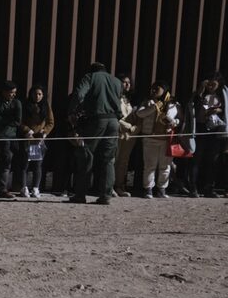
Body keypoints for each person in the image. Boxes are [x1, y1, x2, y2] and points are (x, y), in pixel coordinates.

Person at [68, 62, 122, 204]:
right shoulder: (116, 81)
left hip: (97, 120)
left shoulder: (90, 77)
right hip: (114, 121)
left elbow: (79, 94)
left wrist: (73, 112)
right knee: (108, 159)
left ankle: (80, 194)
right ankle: (106, 195)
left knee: (86, 154)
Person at [130, 80, 178, 198]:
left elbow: (179, 119)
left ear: (164, 90)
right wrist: (155, 107)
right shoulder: (147, 102)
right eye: (153, 88)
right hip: (150, 138)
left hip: (166, 139)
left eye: (158, 88)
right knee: (149, 166)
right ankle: (148, 189)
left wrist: (173, 122)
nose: (154, 90)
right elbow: (140, 114)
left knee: (165, 166)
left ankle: (162, 189)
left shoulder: (173, 104)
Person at [191, 73, 228, 197]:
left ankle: (209, 187)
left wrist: (218, 110)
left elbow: (225, 110)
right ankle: (193, 187)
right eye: (209, 83)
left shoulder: (223, 95)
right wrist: (201, 90)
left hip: (216, 129)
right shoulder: (200, 94)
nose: (211, 86)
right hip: (201, 127)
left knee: (213, 160)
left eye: (214, 83)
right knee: (197, 158)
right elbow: (193, 105)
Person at [17, 85, 55, 198]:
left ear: (43, 95)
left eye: (39, 94)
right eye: (35, 94)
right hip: (27, 138)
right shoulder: (25, 105)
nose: (37, 96)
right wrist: (26, 130)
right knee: (24, 164)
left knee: (37, 165)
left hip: (39, 140)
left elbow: (51, 122)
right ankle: (24, 188)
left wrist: (44, 132)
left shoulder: (46, 106)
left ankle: (35, 188)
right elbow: (19, 121)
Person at [113, 73, 139, 197]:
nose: (127, 85)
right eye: (124, 82)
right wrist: (129, 126)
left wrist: (135, 127)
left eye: (129, 82)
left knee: (124, 162)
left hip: (129, 135)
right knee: (114, 160)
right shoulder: (114, 97)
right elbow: (115, 117)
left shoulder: (129, 99)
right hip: (118, 132)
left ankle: (119, 186)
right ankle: (109, 186)